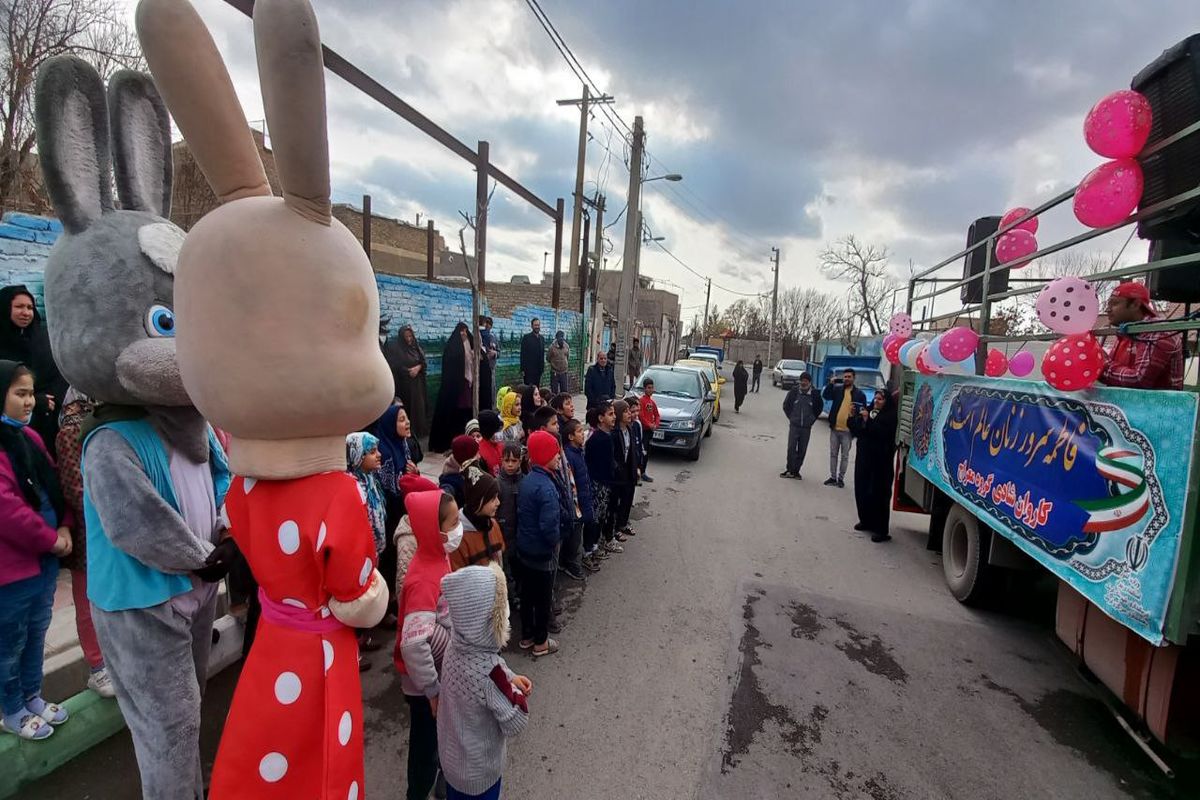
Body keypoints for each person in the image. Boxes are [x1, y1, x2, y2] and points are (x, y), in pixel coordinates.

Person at [0, 361, 74, 740]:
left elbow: (55, 482)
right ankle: (11, 708)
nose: (29, 401)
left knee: (35, 632)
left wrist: (64, 524)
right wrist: (51, 539)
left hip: (43, 564)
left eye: (30, 393)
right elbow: (7, 510)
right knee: (9, 641)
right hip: (12, 571)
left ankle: (32, 696)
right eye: (20, 393)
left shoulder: (29, 439)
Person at [436, 564, 531, 800]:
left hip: (452, 763)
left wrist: (510, 676)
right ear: (487, 623)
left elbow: (490, 667)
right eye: (501, 610)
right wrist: (514, 692)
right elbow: (516, 721)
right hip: (480, 773)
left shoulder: (453, 648)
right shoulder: (490, 673)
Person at [396, 489, 458, 800]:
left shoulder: (437, 555)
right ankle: (418, 792)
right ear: (434, 531)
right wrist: (432, 689)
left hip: (437, 673)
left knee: (437, 736)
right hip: (424, 685)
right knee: (424, 743)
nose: (459, 528)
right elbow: (413, 643)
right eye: (453, 523)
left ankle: (437, 781)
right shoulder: (423, 578)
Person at [53, 389, 114, 698]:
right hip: (89, 532)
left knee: (111, 599)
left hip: (111, 527)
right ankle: (97, 667)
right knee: (88, 603)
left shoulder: (106, 421)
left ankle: (113, 660)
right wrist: (109, 513)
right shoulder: (71, 431)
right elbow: (75, 487)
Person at [0, 286, 68, 459]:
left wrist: (51, 400)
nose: (26, 312)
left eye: (30, 307)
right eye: (19, 307)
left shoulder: (43, 340)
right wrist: (36, 400)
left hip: (47, 420)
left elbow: (58, 375)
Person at [516, 431, 567, 657]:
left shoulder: (528, 480)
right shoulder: (546, 487)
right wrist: (555, 542)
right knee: (543, 599)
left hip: (525, 548)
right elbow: (549, 526)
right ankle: (541, 642)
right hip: (542, 552)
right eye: (555, 452)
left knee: (526, 596)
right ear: (545, 455)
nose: (558, 456)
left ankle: (526, 636)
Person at [368, 403, 423, 602]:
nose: (407, 423)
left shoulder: (402, 445)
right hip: (389, 513)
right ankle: (386, 601)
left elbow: (408, 475)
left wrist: (415, 474)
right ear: (391, 424)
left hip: (402, 508)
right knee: (389, 557)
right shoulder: (384, 451)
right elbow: (390, 487)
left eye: (406, 418)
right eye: (401, 420)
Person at [1100, 281, 1184, 390]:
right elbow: (1111, 377)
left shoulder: (1157, 331)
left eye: (1114, 303)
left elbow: (1138, 380)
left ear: (1135, 304)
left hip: (1157, 406)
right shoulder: (1126, 332)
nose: (1107, 310)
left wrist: (1101, 362)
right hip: (1130, 404)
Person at [849, 390, 899, 543]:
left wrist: (868, 421)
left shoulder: (890, 416)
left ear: (886, 402)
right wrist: (852, 417)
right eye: (875, 398)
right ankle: (866, 520)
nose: (876, 401)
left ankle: (881, 530)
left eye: (880, 399)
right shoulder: (869, 412)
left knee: (879, 494)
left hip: (881, 463)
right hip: (864, 459)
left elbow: (881, 434)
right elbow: (857, 431)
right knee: (862, 490)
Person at [450, 465, 506, 572]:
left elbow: (502, 560)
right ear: (478, 503)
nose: (498, 502)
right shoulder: (458, 539)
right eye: (493, 499)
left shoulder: (493, 525)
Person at [430, 322, 475, 454]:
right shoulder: (452, 347)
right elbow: (452, 365)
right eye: (461, 331)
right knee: (457, 411)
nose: (463, 334)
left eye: (465, 331)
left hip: (468, 382)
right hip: (456, 385)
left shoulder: (470, 344)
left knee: (466, 410)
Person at [562, 419, 599, 574]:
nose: (582, 434)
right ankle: (569, 564)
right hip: (576, 503)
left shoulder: (579, 451)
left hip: (584, 498)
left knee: (578, 533)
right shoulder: (569, 455)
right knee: (574, 537)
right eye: (579, 432)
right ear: (570, 437)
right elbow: (571, 483)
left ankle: (574, 559)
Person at [585, 401, 621, 556]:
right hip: (598, 484)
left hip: (604, 483)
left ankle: (595, 544)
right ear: (601, 418)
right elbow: (599, 465)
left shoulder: (607, 436)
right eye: (610, 414)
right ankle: (591, 547)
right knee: (597, 517)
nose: (614, 417)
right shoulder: (600, 439)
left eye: (614, 413)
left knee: (601, 515)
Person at [823, 368, 866, 488]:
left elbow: (862, 411)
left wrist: (856, 427)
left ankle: (840, 479)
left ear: (854, 378)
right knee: (833, 454)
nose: (846, 379)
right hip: (835, 428)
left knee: (845, 456)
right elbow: (826, 396)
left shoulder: (859, 394)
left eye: (849, 377)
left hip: (848, 431)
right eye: (845, 377)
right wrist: (830, 384)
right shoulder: (837, 389)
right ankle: (832, 477)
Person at [386, 325, 431, 437]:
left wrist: (418, 368)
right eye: (406, 336)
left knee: (419, 408)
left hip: (418, 385)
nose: (409, 339)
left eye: (410, 336)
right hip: (405, 385)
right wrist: (408, 371)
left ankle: (419, 431)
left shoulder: (416, 348)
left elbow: (423, 362)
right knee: (408, 408)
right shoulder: (398, 350)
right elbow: (395, 366)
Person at [781, 372, 823, 480]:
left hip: (806, 428)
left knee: (802, 450)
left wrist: (812, 419)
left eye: (806, 381)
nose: (803, 383)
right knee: (791, 448)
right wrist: (791, 417)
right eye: (802, 380)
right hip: (794, 426)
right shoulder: (794, 392)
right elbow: (786, 405)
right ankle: (789, 469)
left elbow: (819, 408)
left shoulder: (814, 394)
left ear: (809, 382)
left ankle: (796, 471)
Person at [610, 400, 637, 541]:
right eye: (626, 412)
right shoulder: (614, 433)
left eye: (629, 411)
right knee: (615, 501)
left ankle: (623, 523)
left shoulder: (630, 429)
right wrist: (616, 468)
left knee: (628, 498)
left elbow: (633, 450)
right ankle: (614, 528)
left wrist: (636, 468)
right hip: (617, 473)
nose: (629, 414)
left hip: (629, 470)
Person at [441, 435, 481, 509]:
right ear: (466, 458)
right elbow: (443, 501)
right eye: (476, 454)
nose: (479, 457)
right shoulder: (450, 483)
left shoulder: (470, 470)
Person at [637, 380, 660, 483]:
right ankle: (639, 471)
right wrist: (649, 424)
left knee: (647, 452)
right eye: (648, 388)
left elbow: (657, 415)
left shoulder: (652, 402)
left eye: (652, 388)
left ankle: (643, 471)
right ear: (644, 389)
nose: (651, 390)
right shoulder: (641, 401)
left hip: (650, 431)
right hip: (643, 430)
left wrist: (656, 424)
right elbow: (641, 416)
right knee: (642, 451)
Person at [478, 316, 498, 412]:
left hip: (491, 367)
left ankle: (492, 409)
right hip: (480, 368)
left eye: (489, 324)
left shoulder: (493, 337)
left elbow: (499, 351)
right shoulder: (478, 336)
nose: (487, 326)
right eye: (486, 323)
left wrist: (495, 353)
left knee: (491, 390)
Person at [476, 410, 504, 475]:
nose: (498, 433)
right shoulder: (479, 453)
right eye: (496, 431)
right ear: (488, 432)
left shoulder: (501, 445)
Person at [520, 319, 545, 387]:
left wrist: (542, 369)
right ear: (532, 326)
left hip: (538, 371)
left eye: (538, 325)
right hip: (529, 371)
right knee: (528, 391)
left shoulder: (542, 338)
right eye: (535, 325)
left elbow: (542, 354)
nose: (537, 327)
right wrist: (522, 369)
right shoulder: (526, 338)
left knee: (536, 390)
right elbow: (523, 354)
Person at [548, 331, 571, 396]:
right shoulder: (552, 347)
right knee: (554, 392)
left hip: (564, 372)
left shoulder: (566, 346)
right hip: (554, 372)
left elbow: (567, 357)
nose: (561, 339)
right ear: (556, 338)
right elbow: (548, 358)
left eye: (562, 337)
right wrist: (554, 364)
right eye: (559, 337)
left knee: (564, 391)